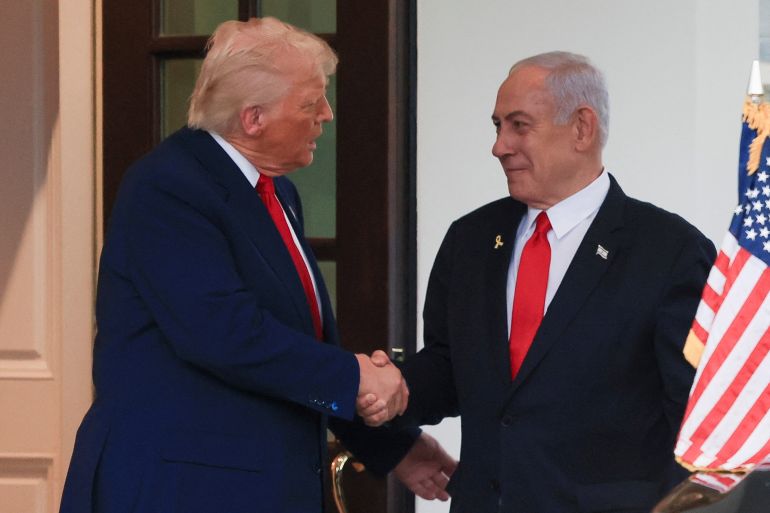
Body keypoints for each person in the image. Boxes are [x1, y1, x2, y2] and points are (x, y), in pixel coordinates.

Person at [59, 17, 454, 513]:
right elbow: (225, 333)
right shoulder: (169, 186)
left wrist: (393, 446)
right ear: (253, 118)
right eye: (311, 104)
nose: (326, 115)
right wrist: (356, 378)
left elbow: (300, 345)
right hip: (178, 490)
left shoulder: (276, 193)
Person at [360, 51, 716, 513]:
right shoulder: (470, 239)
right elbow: (451, 369)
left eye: (519, 125)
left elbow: (696, 414)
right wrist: (391, 390)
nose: (500, 146)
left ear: (582, 128)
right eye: (497, 127)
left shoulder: (670, 251)